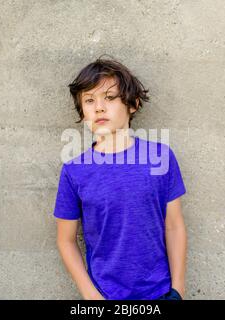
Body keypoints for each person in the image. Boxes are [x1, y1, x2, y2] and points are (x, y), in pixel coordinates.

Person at [53, 55, 187, 300]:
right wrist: (91, 295)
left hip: (160, 293)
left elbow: (174, 225)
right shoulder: (74, 171)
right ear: (82, 112)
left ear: (133, 104)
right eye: (89, 100)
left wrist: (178, 289)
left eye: (110, 97)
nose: (99, 107)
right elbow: (66, 240)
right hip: (105, 295)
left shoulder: (161, 157)